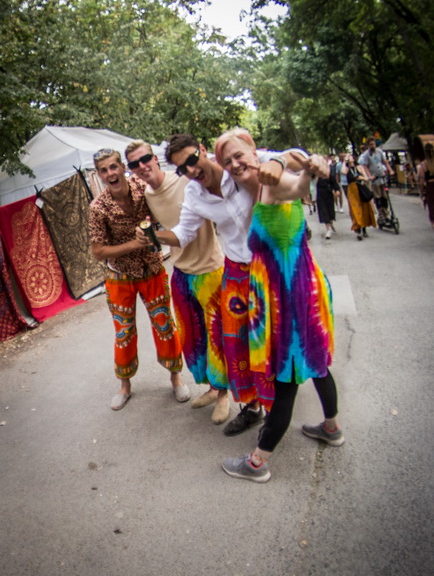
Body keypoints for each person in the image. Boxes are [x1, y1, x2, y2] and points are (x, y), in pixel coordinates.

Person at [136, 134, 329, 436]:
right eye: (182, 168)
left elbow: (293, 155)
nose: (191, 170)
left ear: (203, 151)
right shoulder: (194, 194)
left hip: (272, 269)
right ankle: (252, 407)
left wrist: (278, 162)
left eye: (192, 160)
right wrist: (153, 236)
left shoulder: (235, 164)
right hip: (237, 272)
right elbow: (183, 234)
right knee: (238, 344)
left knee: (277, 340)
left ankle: (280, 409)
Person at [214, 129, 344, 483]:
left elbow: (297, 186)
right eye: (227, 161)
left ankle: (258, 462)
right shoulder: (256, 184)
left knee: (287, 375)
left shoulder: (272, 182)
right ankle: (331, 428)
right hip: (298, 288)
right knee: (316, 362)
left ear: (254, 151)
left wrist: (306, 170)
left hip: (290, 296)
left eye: (239, 155)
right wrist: (296, 163)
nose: (234, 164)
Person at [124, 140, 229, 424]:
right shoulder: (146, 195)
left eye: (145, 159)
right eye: (134, 164)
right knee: (193, 338)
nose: (142, 166)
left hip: (210, 268)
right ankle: (212, 387)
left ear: (155, 158)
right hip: (181, 271)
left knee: (217, 336)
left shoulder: (185, 179)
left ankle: (224, 395)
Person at [88, 148, 189, 410]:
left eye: (113, 167)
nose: (110, 173)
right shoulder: (98, 208)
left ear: (122, 167)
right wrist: (134, 244)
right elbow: (98, 252)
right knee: (124, 332)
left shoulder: (143, 189)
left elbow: (166, 197)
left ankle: (176, 378)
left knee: (165, 324)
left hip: (152, 268)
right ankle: (125, 386)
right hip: (119, 275)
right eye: (103, 170)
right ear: (98, 175)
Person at [359, 137, 394, 224]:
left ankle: (386, 214)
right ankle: (381, 215)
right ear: (368, 145)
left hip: (382, 177)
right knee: (378, 197)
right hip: (375, 179)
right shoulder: (366, 155)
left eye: (374, 144)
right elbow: (365, 167)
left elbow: (385, 161)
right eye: (371, 145)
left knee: (385, 197)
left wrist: (390, 170)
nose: (373, 146)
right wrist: (369, 176)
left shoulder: (379, 152)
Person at [341, 154, 377, 240]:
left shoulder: (359, 167)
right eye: (347, 156)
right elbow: (343, 172)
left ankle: (364, 229)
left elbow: (366, 178)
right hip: (352, 190)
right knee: (355, 209)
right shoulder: (347, 168)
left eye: (350, 156)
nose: (348, 157)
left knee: (364, 208)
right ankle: (358, 229)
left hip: (360, 188)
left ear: (354, 158)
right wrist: (344, 162)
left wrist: (361, 177)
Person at [316, 159, 341, 239]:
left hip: (328, 193)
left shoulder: (328, 173)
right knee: (323, 211)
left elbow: (334, 182)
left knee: (330, 210)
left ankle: (330, 223)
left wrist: (337, 190)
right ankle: (328, 229)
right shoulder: (316, 174)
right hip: (320, 194)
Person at [417, 142, 434, 230]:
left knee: (432, 205)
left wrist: (421, 191)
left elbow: (421, 181)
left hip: (430, 186)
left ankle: (433, 222)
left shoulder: (424, 164)